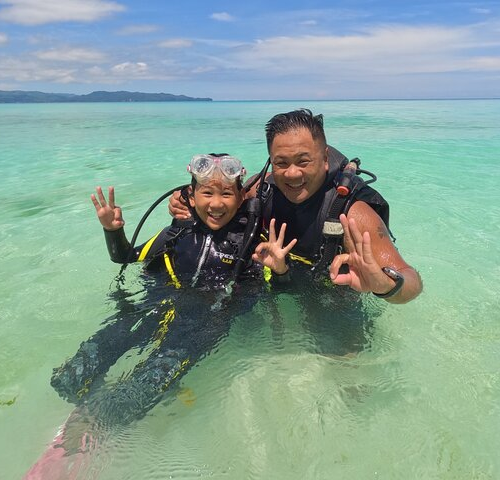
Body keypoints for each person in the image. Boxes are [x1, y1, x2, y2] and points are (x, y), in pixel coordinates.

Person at [26, 154, 295, 478]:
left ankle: (96, 424)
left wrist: (279, 270)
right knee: (72, 375)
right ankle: (79, 409)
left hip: (202, 324)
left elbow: (272, 292)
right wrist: (113, 231)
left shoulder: (249, 243)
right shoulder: (176, 234)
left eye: (226, 194)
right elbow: (127, 257)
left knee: (148, 382)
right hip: (151, 307)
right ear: (191, 196)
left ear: (240, 198)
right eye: (207, 193)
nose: (216, 203)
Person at [169, 111, 422, 355]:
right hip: (282, 288)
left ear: (324, 159)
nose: (292, 173)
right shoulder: (261, 188)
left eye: (303, 161)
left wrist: (384, 285)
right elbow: (221, 202)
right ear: (270, 160)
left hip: (334, 301)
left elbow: (412, 281)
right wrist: (183, 201)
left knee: (348, 379)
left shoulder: (353, 214)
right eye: (281, 163)